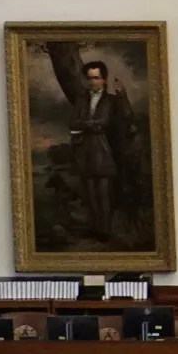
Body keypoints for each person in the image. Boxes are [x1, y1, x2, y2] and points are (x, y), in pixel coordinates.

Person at [67, 57, 135, 243]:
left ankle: (105, 230)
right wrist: (93, 125)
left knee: (104, 193)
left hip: (104, 151)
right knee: (90, 193)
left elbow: (127, 116)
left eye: (96, 78)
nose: (92, 82)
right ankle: (95, 228)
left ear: (104, 79)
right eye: (89, 78)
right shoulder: (81, 100)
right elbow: (73, 123)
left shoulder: (112, 101)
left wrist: (122, 95)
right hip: (85, 152)